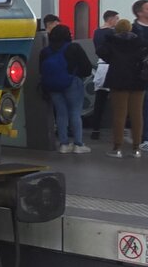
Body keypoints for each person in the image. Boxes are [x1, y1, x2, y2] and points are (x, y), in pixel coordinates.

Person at [97, 19, 148, 157]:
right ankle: (136, 148)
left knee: (119, 115)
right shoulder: (140, 42)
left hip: (118, 81)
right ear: (130, 28)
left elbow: (101, 53)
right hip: (138, 81)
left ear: (117, 29)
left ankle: (117, 148)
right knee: (137, 115)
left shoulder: (112, 42)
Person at [40, 24, 93, 154]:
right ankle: (78, 144)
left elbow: (41, 70)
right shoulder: (74, 47)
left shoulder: (45, 51)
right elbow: (86, 67)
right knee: (75, 112)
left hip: (52, 85)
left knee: (60, 113)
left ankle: (63, 144)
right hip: (72, 83)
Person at [90, 9, 119, 139]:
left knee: (99, 101)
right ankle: (117, 131)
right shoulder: (113, 33)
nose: (117, 21)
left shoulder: (96, 32)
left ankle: (95, 130)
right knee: (118, 102)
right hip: (113, 67)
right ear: (111, 19)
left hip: (101, 68)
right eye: (116, 19)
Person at [134, 0, 148, 150]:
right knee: (145, 106)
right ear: (139, 13)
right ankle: (145, 137)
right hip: (142, 75)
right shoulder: (134, 30)